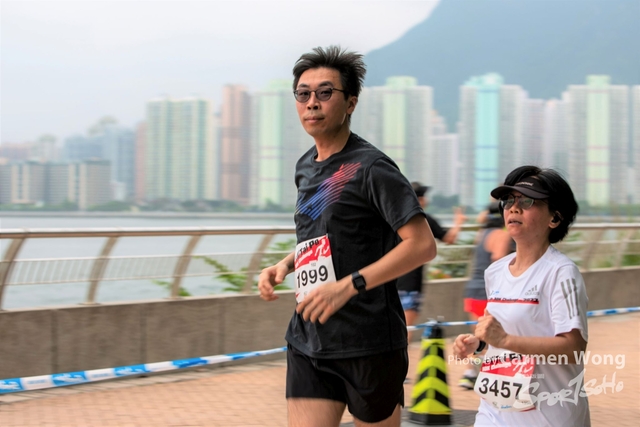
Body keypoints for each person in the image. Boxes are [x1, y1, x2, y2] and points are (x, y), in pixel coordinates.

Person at [257, 46, 437, 427]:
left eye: (325, 92)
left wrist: (348, 286)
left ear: (351, 102)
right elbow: (324, 234)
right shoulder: (305, 167)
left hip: (369, 342)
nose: (312, 102)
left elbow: (422, 245)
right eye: (303, 93)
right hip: (309, 336)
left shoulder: (372, 167)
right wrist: (286, 264)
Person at [453, 165, 590, 426]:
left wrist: (506, 340)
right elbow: (497, 333)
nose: (514, 208)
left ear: (554, 218)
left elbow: (573, 350)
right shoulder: (495, 271)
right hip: (494, 413)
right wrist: (478, 343)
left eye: (527, 201)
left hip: (549, 416)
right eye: (509, 201)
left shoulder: (561, 272)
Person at [396, 182, 466, 338]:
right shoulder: (423, 220)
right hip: (410, 283)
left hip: (389, 280)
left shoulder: (393, 218)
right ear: (418, 200)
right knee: (406, 328)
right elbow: (449, 238)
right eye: (423, 197)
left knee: (395, 327)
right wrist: (459, 222)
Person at [458, 201, 513, 389]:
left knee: (478, 336)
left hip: (472, 291)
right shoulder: (501, 235)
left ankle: (470, 373)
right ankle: (490, 376)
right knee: (492, 337)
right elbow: (498, 260)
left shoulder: (481, 234)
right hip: (487, 293)